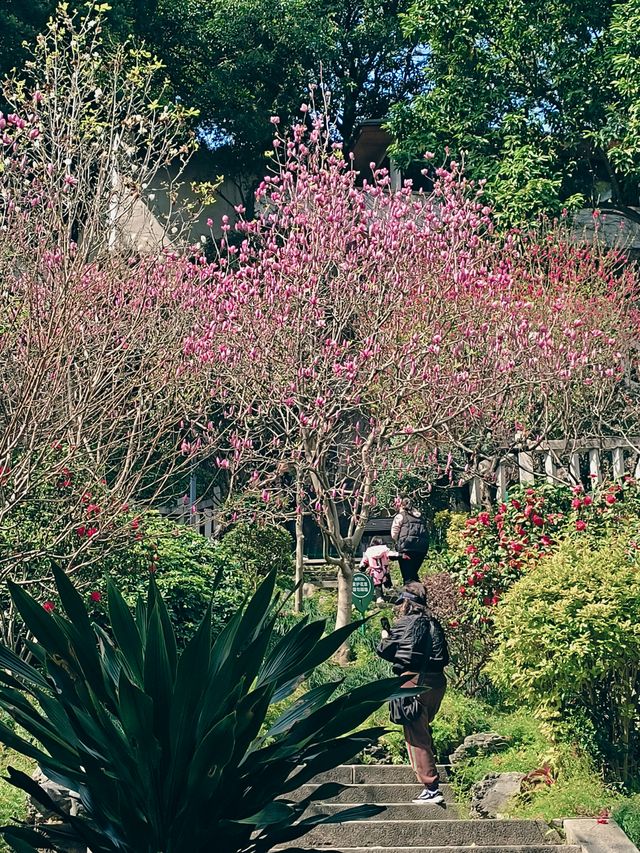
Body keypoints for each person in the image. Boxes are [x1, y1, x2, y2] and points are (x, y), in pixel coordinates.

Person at [376, 582, 449, 805]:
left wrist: (385, 637)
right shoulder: (434, 624)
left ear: (406, 603)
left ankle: (431, 787)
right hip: (437, 683)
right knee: (423, 730)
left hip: (412, 683)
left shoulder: (403, 624)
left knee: (416, 735)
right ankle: (430, 780)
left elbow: (385, 651)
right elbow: (444, 657)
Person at [391, 498, 429, 583]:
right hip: (421, 549)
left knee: (407, 576)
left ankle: (409, 594)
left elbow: (394, 533)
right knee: (414, 574)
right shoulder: (420, 516)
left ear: (401, 505)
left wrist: (397, 542)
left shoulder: (400, 516)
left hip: (406, 547)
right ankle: (419, 593)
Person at [359, 536, 393, 604]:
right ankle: (389, 588)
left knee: (377, 585)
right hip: (384, 569)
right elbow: (391, 554)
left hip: (375, 571)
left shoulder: (369, 551)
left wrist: (362, 567)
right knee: (386, 579)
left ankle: (379, 598)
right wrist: (400, 555)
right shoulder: (385, 549)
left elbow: (364, 561)